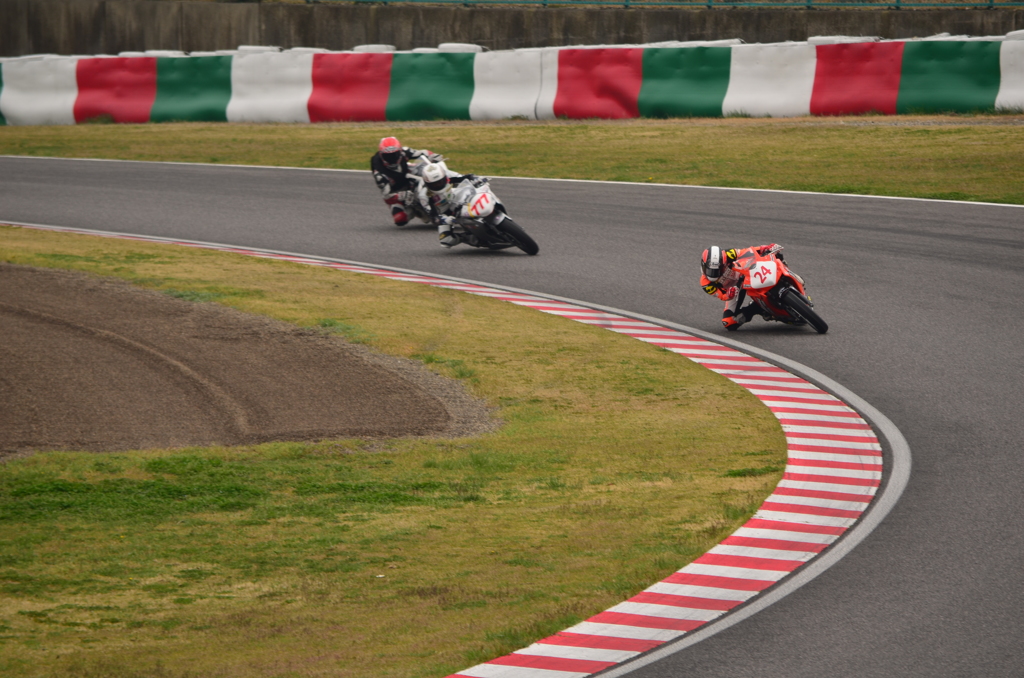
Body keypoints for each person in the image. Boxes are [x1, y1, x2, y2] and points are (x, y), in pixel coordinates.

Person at [700, 244, 783, 330]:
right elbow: (722, 295)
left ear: (723, 262)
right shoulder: (706, 284)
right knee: (728, 322)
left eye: (719, 269)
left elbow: (747, 252)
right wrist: (728, 295)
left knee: (776, 256)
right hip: (733, 289)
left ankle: (782, 271)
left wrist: (763, 248)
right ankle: (757, 307)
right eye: (711, 270)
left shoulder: (728, 254)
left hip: (744, 272)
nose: (714, 274)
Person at [370, 136, 443, 226]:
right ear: (381, 155)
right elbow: (387, 197)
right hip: (398, 190)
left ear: (400, 151)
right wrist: (402, 196)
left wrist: (433, 156)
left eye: (394, 155)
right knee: (400, 219)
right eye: (388, 156)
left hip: (409, 175)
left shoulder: (404, 151)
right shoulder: (379, 174)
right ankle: (416, 210)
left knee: (429, 171)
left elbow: (422, 153)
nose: (392, 159)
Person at [417, 162, 486, 248]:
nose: (439, 184)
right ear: (427, 184)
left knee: (480, 192)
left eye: (441, 181)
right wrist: (443, 219)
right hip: (445, 213)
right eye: (434, 184)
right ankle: (468, 238)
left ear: (444, 177)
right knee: (446, 240)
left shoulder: (448, 174)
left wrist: (474, 178)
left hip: (458, 199)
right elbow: (433, 216)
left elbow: (464, 178)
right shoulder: (424, 196)